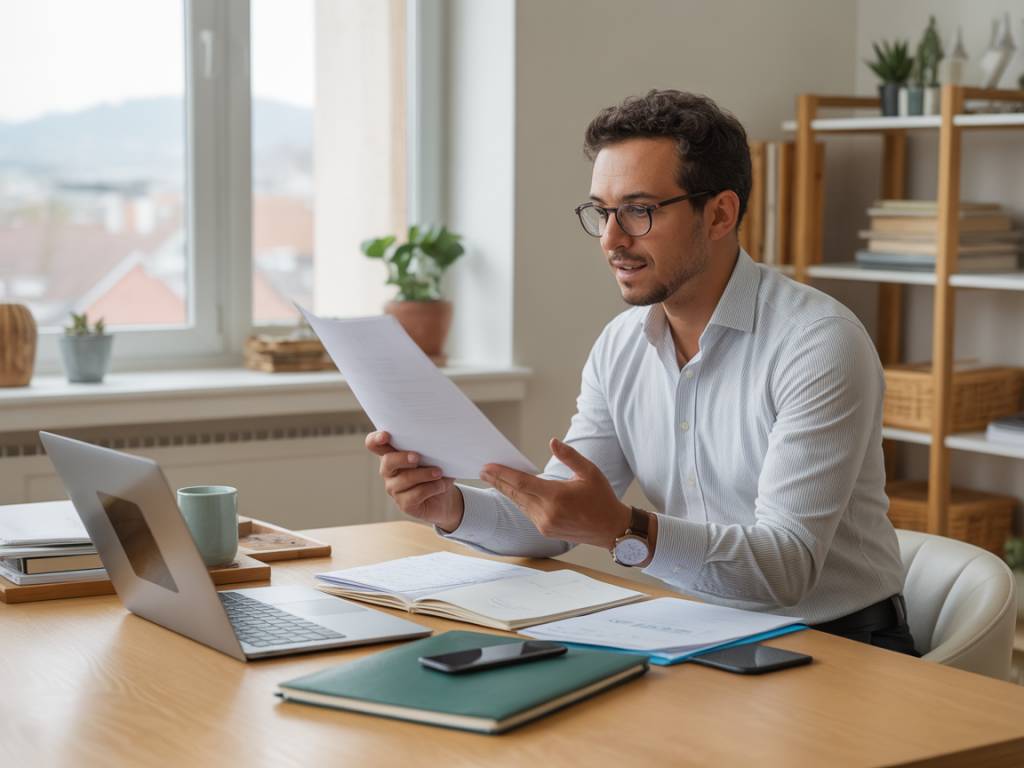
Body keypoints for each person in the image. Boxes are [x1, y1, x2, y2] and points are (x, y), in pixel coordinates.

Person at [365, 89, 918, 655]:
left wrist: (623, 529)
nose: (612, 239)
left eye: (639, 210)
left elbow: (784, 571)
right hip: (696, 631)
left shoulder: (818, 344)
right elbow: (555, 516)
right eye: (602, 212)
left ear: (721, 213)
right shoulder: (622, 345)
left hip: (843, 644)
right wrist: (451, 507)